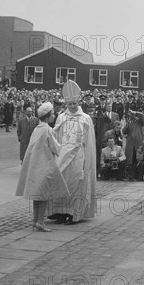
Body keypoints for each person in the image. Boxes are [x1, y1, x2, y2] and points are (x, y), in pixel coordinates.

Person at [47, 81, 96, 225]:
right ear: (66, 105)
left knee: (75, 184)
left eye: (74, 104)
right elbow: (55, 136)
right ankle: (60, 212)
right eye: (70, 104)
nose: (72, 106)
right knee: (61, 183)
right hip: (62, 155)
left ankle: (74, 213)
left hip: (78, 157)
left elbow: (89, 142)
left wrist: (87, 160)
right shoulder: (61, 117)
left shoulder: (85, 119)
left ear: (78, 103)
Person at [16, 102, 70, 231]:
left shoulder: (38, 128)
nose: (53, 116)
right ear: (47, 116)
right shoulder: (47, 129)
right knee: (44, 194)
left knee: (37, 195)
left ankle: (35, 220)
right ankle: (40, 221)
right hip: (45, 164)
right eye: (51, 114)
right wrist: (66, 143)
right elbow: (56, 148)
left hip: (35, 165)